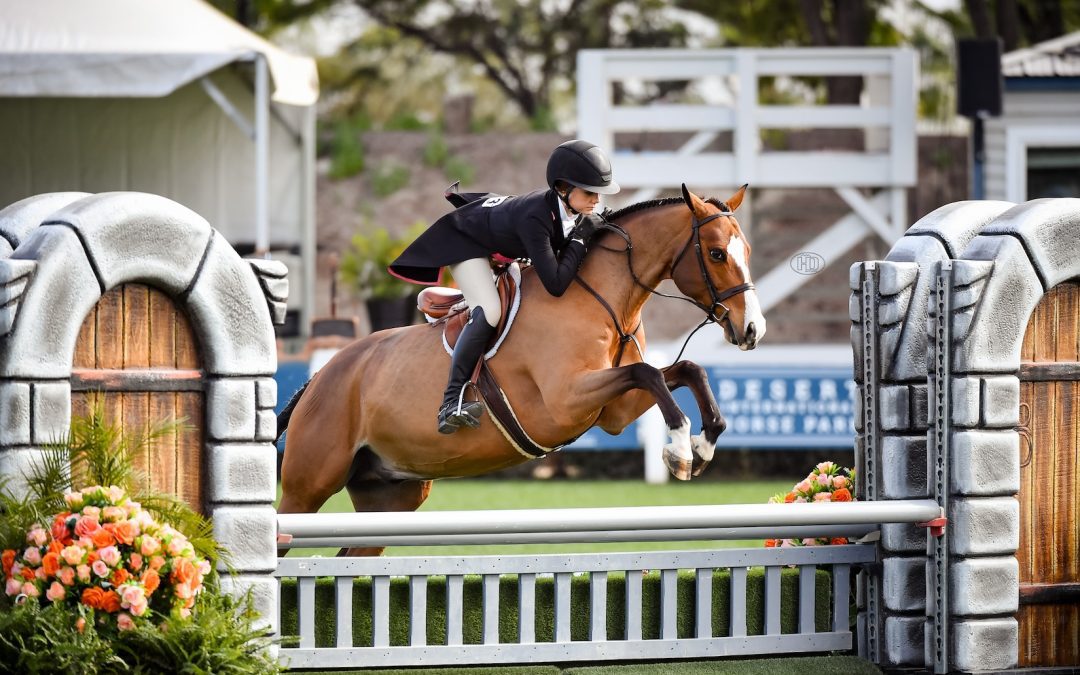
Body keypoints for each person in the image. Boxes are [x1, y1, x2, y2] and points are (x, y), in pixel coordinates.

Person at [389, 139, 620, 433]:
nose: (596, 201)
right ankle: (452, 401)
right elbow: (557, 284)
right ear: (563, 188)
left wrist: (585, 234)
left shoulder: (566, 210)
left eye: (598, 194)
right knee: (490, 311)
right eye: (590, 193)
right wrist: (580, 239)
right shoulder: (537, 216)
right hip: (467, 244)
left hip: (499, 244)